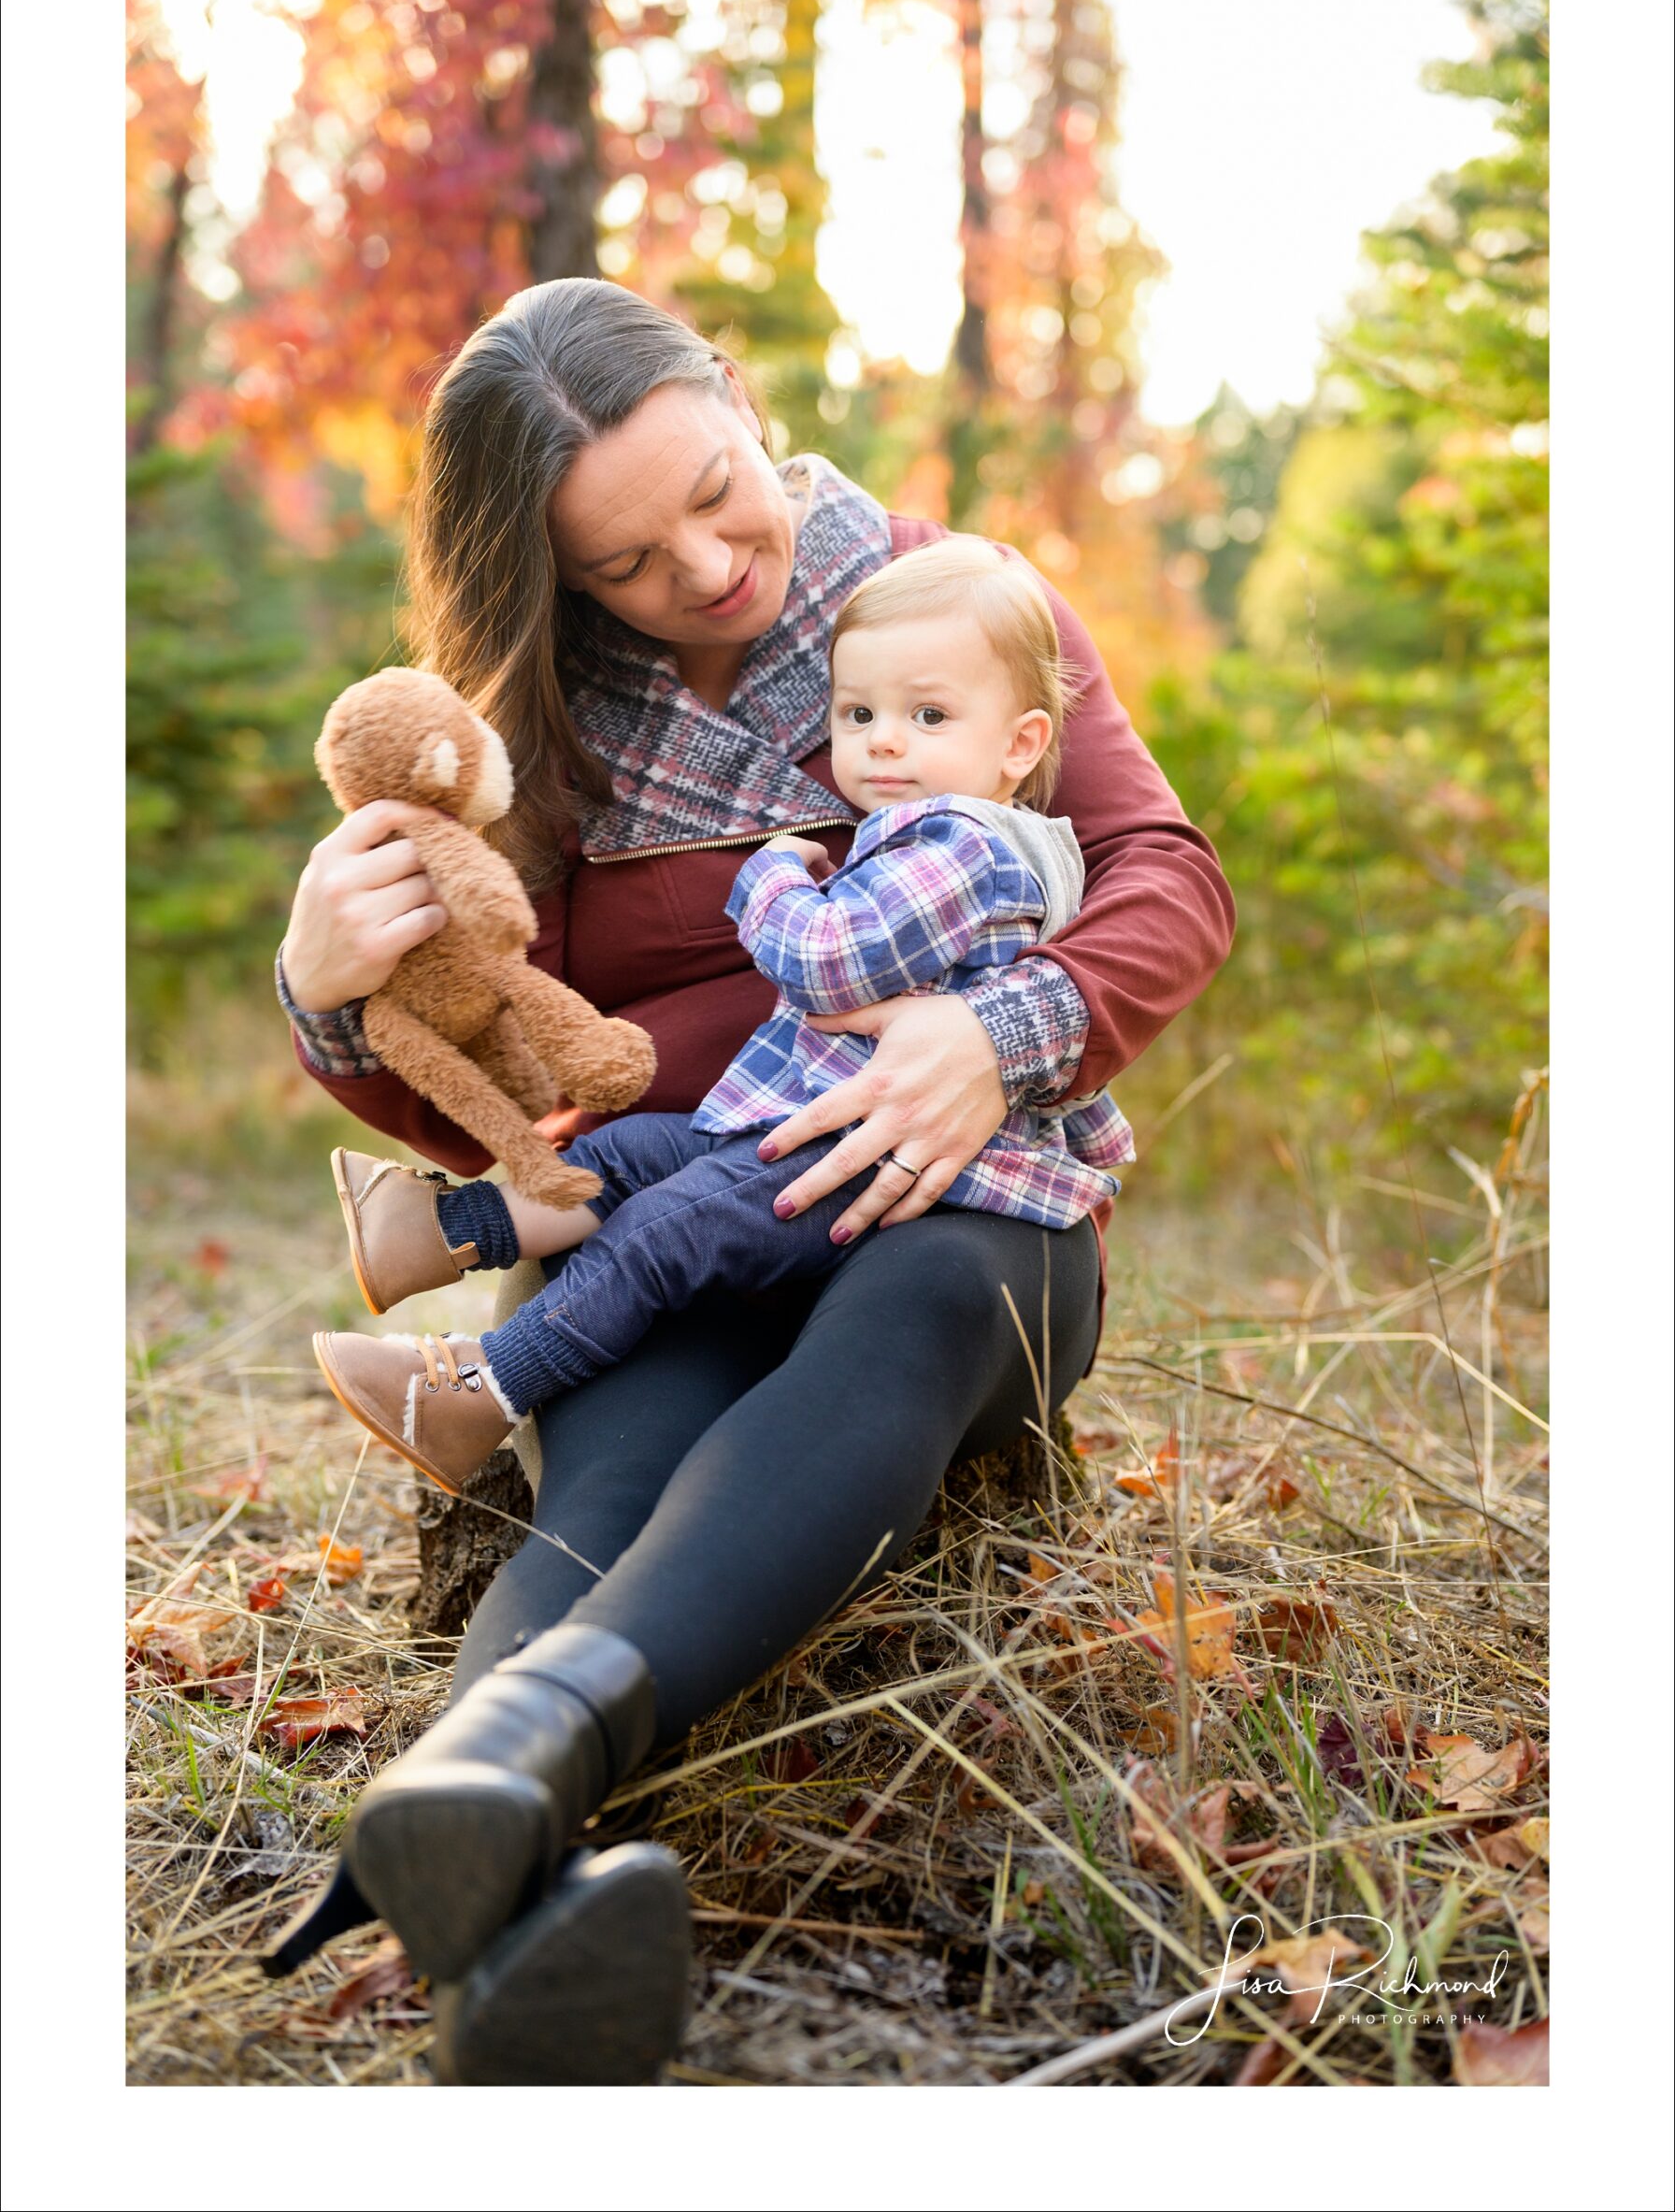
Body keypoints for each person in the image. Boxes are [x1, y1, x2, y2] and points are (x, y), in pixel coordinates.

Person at [259, 278, 1236, 2086]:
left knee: (916, 1308)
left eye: (717, 489)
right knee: (615, 1459)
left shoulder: (951, 607)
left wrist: (1007, 1027)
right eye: (628, 563)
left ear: (733, 389)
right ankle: (493, 1819)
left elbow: (1164, 875)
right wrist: (328, 997)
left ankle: (487, 1792)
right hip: (660, 1210)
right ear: (556, 579)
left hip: (954, 1198)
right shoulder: (524, 736)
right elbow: (497, 1094)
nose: (707, 566)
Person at [309, 537, 1138, 1487]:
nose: (884, 740)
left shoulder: (960, 843)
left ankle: (481, 1389)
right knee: (622, 1155)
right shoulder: (908, 832)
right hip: (795, 1135)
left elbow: (828, 965)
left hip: (890, 1164)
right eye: (858, 714)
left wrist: (771, 875)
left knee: (660, 1234)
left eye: (927, 715)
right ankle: (440, 1227)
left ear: (1021, 745)